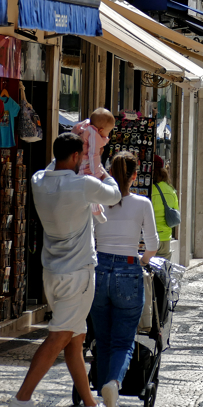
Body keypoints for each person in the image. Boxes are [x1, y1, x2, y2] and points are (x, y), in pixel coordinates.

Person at [14, 133, 122, 407]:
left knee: (75, 338)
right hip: (78, 273)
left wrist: (77, 147)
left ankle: (89, 402)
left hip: (51, 272)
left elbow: (55, 164)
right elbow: (115, 194)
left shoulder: (38, 180)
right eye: (81, 156)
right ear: (75, 157)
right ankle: (21, 399)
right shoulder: (83, 184)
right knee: (60, 335)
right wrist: (99, 167)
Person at [90, 152, 159, 407]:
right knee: (124, 338)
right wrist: (140, 262)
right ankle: (113, 383)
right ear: (134, 176)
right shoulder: (142, 204)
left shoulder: (98, 200)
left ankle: (104, 383)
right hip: (128, 269)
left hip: (99, 268)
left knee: (103, 336)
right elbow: (153, 245)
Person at [151, 165, 179, 258]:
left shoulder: (150, 190)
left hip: (150, 235)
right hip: (166, 236)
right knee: (163, 268)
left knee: (147, 267)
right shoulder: (171, 190)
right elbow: (176, 210)